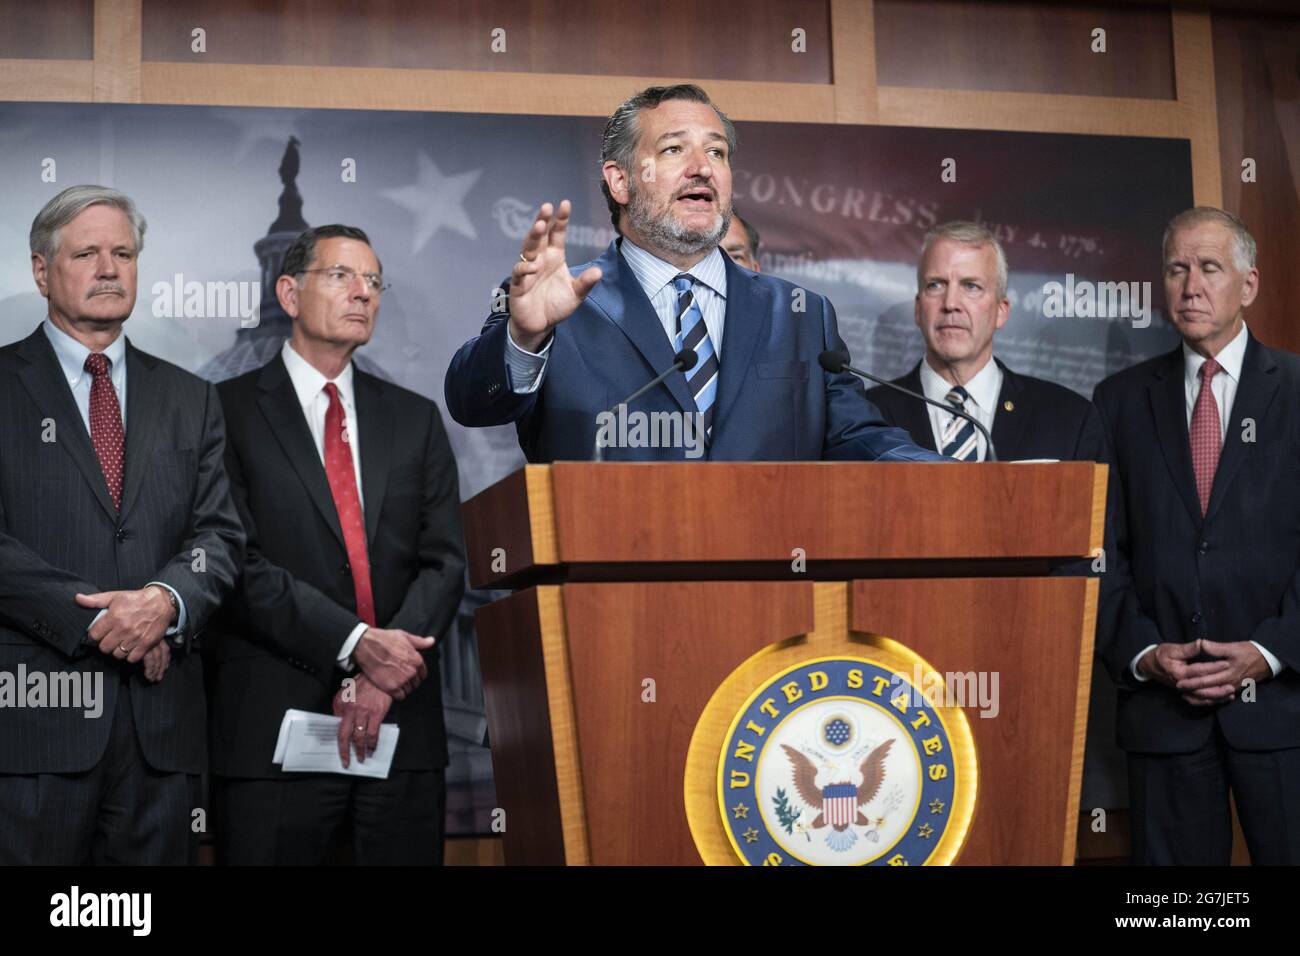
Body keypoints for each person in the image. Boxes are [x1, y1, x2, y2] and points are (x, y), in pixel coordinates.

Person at [444, 84, 942, 464]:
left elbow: (857, 437)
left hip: (771, 585)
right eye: (674, 149)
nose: (702, 167)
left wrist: (945, 476)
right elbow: (471, 404)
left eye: (717, 151)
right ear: (619, 180)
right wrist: (524, 338)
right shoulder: (556, 305)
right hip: (609, 588)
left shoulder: (798, 314)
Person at [205, 224, 465, 865]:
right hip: (272, 733)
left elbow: (445, 561)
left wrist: (385, 673)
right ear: (289, 293)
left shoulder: (414, 417)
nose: (363, 294)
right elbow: (234, 561)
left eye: (374, 281)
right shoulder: (220, 409)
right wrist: (358, 647)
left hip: (401, 730)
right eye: (342, 276)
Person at [0, 185, 244, 864]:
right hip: (31, 729)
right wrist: (107, 626)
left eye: (124, 253)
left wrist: (164, 603)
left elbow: (219, 537)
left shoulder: (191, 398)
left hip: (159, 737)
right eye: (87, 253)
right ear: (42, 271)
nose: (109, 268)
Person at [1093, 206, 1300, 864]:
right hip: (1163, 715)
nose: (1190, 286)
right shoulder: (1119, 400)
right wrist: (1144, 652)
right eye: (1177, 269)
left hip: (1282, 708)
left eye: (1209, 268)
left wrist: (1268, 651)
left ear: (1249, 284)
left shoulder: (1297, 391)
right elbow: (1100, 554)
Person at [868, 221, 1100, 462]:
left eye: (971, 286)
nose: (950, 304)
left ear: (1001, 310)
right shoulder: (867, 417)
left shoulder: (1069, 418)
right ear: (918, 308)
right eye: (935, 285)